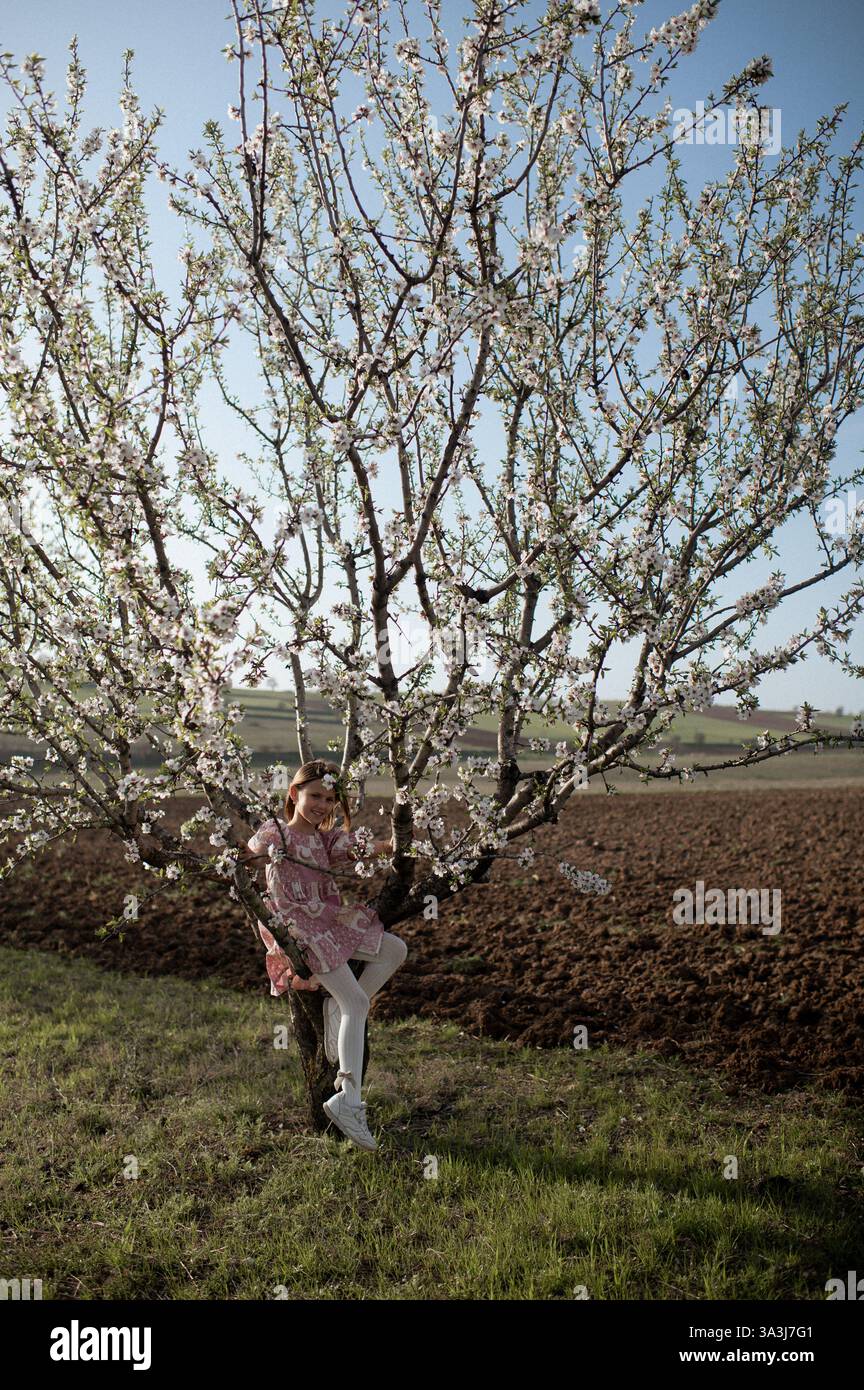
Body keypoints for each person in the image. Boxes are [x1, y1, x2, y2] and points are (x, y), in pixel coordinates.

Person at [238, 759, 408, 1152]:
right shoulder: (276, 832)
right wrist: (246, 856)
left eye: (330, 799)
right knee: (358, 1002)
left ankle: (335, 1008)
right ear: (294, 793)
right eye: (315, 795)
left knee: (395, 949)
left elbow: (366, 846)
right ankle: (349, 1101)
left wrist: (404, 841)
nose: (322, 805)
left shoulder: (326, 840)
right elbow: (252, 853)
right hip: (299, 928)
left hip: (327, 919)